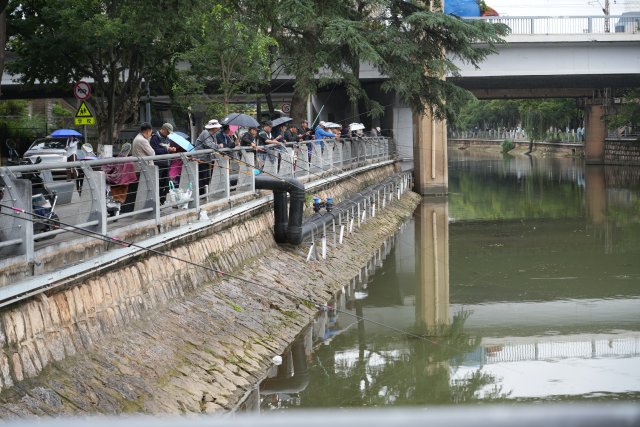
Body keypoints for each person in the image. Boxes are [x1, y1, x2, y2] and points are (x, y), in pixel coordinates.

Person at [150, 123, 177, 204]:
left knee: (166, 184)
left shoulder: (167, 138)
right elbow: (154, 151)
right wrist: (167, 149)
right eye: (168, 132)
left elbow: (167, 149)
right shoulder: (155, 137)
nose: (168, 134)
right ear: (164, 129)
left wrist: (172, 149)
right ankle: (157, 202)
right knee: (158, 184)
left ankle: (162, 201)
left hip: (167, 164)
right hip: (158, 165)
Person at [193, 119, 222, 195]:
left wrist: (215, 145)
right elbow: (209, 145)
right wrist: (219, 146)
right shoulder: (206, 133)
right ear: (214, 128)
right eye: (217, 127)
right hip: (201, 159)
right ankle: (201, 194)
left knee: (206, 177)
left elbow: (213, 144)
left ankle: (204, 194)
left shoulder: (213, 134)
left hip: (207, 159)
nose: (218, 129)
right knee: (202, 177)